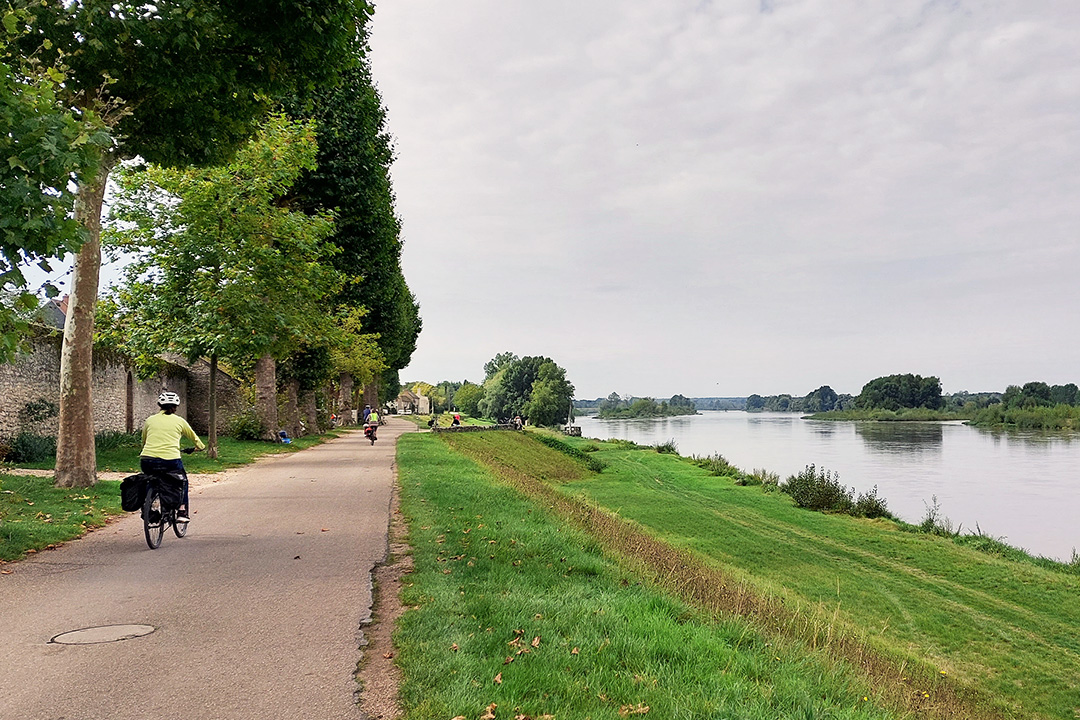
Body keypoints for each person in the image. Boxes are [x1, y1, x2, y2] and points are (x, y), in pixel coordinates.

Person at [140, 391, 204, 522]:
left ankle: (148, 504)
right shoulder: (180, 421)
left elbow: (144, 440)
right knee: (182, 481)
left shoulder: (150, 420)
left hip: (147, 459)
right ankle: (181, 511)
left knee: (150, 478)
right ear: (175, 407)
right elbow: (195, 439)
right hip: (171, 460)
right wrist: (200, 447)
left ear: (160, 405)